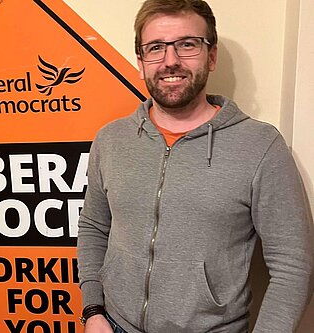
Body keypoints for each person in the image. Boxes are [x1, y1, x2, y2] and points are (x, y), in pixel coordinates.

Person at [76, 0, 313, 332]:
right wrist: (93, 309)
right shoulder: (112, 140)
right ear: (141, 62)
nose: (170, 61)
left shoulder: (260, 146)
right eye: (156, 48)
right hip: (113, 325)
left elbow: (293, 266)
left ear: (211, 56)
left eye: (187, 45)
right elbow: (93, 226)